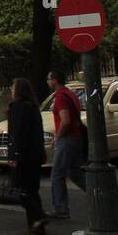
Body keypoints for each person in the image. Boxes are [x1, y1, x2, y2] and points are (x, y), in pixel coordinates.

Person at [7, 77, 48, 235]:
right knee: (32, 189)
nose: (11, 90)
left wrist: (14, 155)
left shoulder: (18, 107)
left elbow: (17, 133)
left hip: (23, 156)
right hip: (35, 154)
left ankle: (38, 215)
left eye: (13, 88)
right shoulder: (33, 107)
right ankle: (36, 225)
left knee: (20, 189)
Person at [47, 70, 86, 220]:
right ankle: (97, 192)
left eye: (49, 79)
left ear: (55, 80)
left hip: (67, 139)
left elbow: (65, 119)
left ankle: (61, 208)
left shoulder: (60, 98)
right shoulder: (71, 94)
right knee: (75, 172)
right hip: (76, 137)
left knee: (57, 174)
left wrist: (57, 137)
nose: (47, 82)